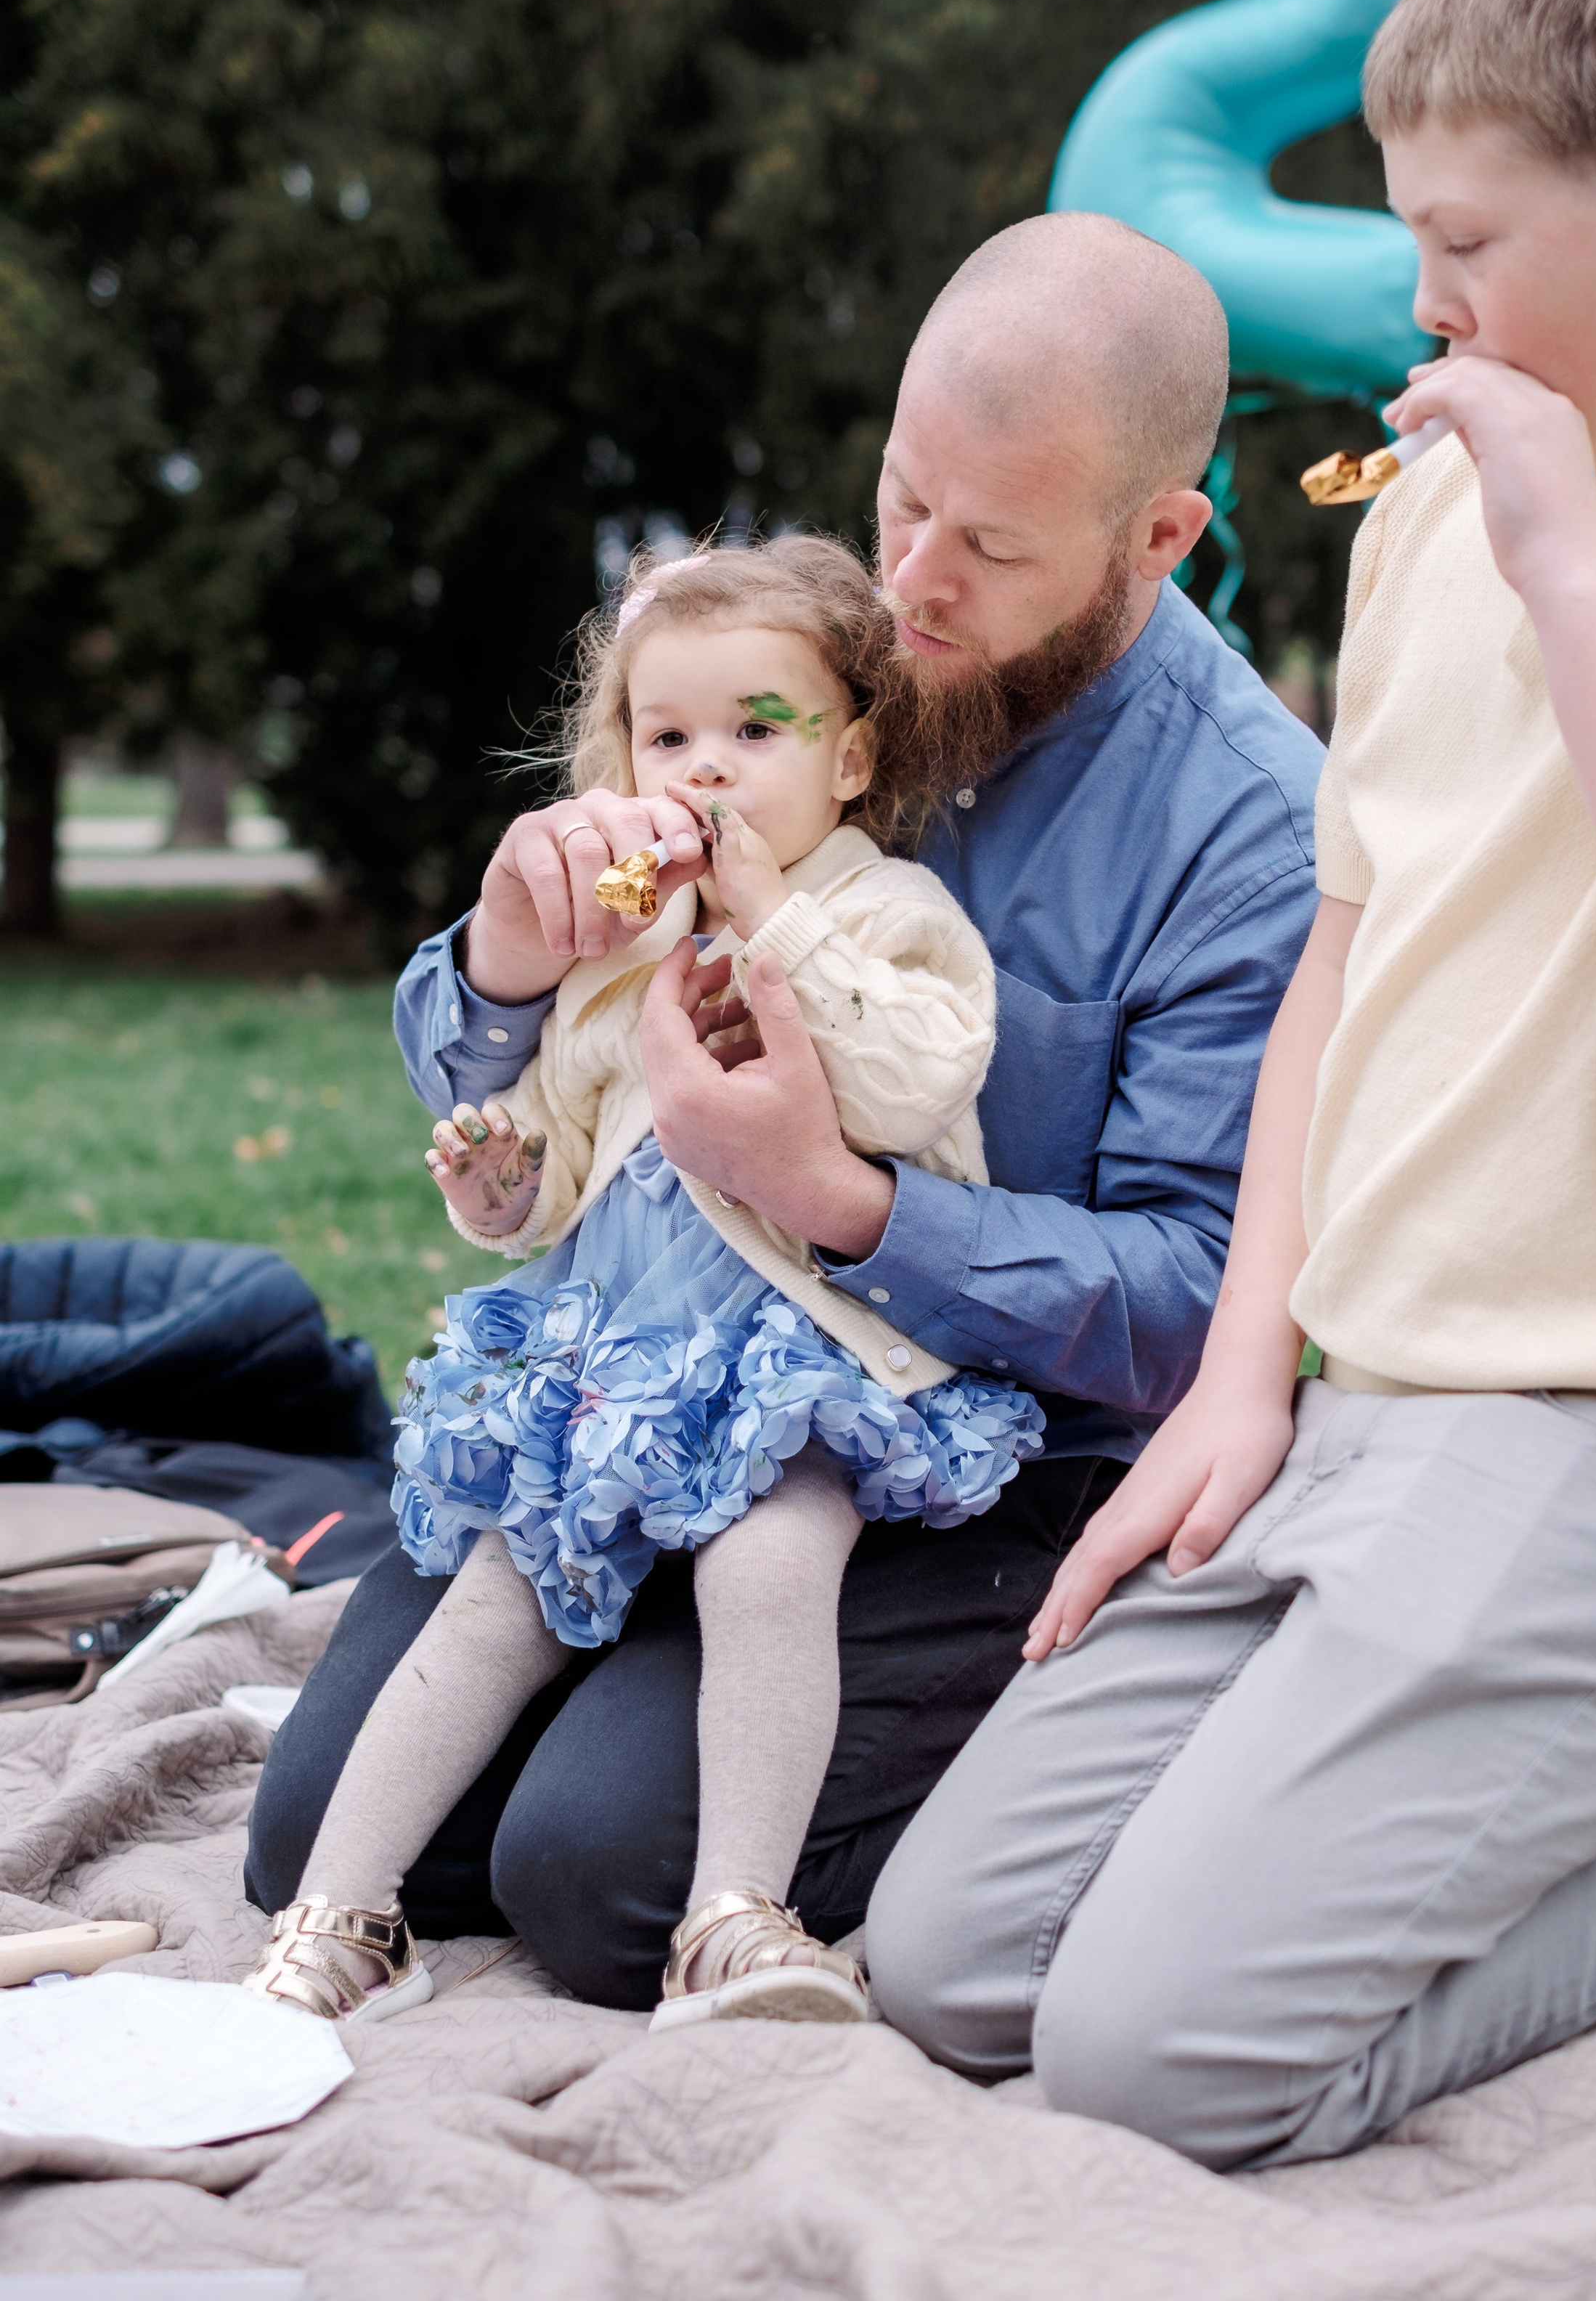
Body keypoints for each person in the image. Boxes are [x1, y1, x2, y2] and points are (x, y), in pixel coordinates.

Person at [866, 0, 1596, 2169]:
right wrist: (1243, 1377)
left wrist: (1569, 572)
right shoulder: (1432, 489)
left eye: (1468, 248)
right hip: (1367, 1406)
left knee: (1159, 2060)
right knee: (951, 1966)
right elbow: (1355, 932)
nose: (1419, 299)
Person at [243, 212, 1326, 2008]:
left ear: (1158, 539)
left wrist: (844, 1199)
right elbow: (536, 1057)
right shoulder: (800, 667)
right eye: (904, 497)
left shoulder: (1249, 837)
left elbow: (1200, 1304)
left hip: (954, 1457)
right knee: (316, 1842)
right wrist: (505, 967)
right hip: (651, 1368)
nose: (909, 584)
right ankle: (616, 1683)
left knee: (587, 1882)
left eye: (987, 547)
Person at [243, 538, 1043, 2029]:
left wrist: (773, 923)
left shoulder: (884, 917)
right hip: (618, 1358)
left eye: (757, 730)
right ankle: (339, 1917)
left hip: (797, 1350)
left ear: (853, 758)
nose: (709, 771)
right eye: (668, 737)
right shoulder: (618, 949)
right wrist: (499, 1183)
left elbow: (912, 1074)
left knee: (771, 1562)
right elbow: (565, 1153)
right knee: (496, 1599)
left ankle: (732, 1919)